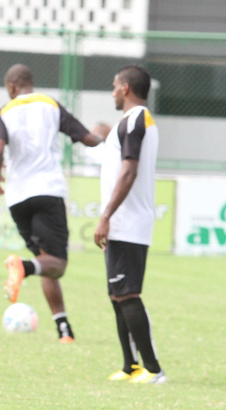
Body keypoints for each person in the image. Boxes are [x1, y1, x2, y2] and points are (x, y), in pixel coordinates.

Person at [0, 64, 102, 343]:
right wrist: (109, 139)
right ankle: (22, 267)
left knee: (45, 261)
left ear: (12, 86)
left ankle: (63, 328)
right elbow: (88, 139)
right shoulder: (51, 105)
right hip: (48, 191)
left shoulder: (4, 112)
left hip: (17, 197)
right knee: (56, 264)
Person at [94, 66, 164, 384]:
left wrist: (106, 216)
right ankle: (130, 366)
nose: (112, 92)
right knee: (117, 294)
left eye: (114, 86)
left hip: (127, 221)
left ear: (125, 88)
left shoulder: (135, 120)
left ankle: (154, 370)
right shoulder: (133, 121)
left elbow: (129, 171)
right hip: (123, 222)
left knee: (127, 294)